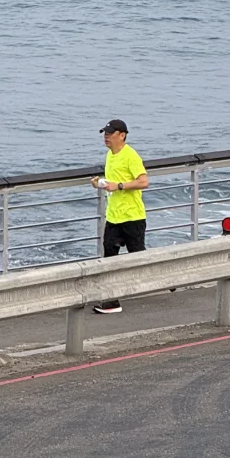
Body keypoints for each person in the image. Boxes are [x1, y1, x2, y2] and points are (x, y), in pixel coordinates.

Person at [89, 118, 148, 314]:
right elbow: (114, 183)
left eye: (110, 133)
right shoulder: (109, 155)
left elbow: (143, 182)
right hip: (114, 217)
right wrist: (100, 183)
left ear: (122, 135)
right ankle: (111, 301)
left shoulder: (131, 155)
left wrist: (120, 186)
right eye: (105, 133)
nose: (106, 137)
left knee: (138, 257)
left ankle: (167, 276)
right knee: (109, 257)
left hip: (132, 217)